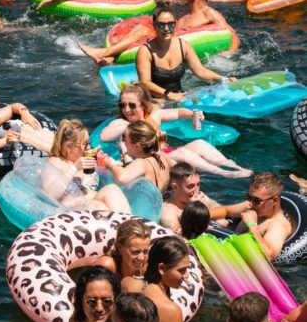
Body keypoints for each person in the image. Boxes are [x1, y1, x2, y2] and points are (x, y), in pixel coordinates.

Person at [81, 0, 239, 67]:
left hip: (175, 54)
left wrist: (226, 57)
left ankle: (105, 53)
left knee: (143, 31)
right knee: (145, 29)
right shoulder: (185, 14)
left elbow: (231, 35)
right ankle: (109, 58)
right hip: (166, 51)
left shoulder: (209, 13)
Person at [100, 86, 250, 178]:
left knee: (200, 144)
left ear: (143, 105)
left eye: (132, 105)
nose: (126, 109)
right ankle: (223, 173)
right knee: (182, 153)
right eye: (122, 105)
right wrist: (131, 125)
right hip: (149, 162)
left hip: (165, 154)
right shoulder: (121, 123)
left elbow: (178, 113)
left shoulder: (154, 116)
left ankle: (235, 166)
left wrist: (192, 114)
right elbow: (104, 136)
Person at [135, 4, 235, 102]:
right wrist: (168, 95)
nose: (166, 29)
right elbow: (145, 82)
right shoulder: (145, 51)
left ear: (175, 23)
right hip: (155, 100)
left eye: (170, 24)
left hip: (179, 96)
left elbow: (201, 71)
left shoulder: (183, 45)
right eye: (161, 25)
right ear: (154, 26)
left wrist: (223, 79)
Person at [44, 118, 130, 213]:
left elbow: (103, 174)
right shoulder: (56, 162)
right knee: (103, 203)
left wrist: (107, 163)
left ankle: (129, 224)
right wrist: (74, 168)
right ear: (68, 147)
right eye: (85, 144)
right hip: (69, 208)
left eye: (89, 143)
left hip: (91, 201)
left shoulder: (85, 162)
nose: (89, 147)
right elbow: (50, 194)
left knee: (112, 189)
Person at [209, 172, 292, 260]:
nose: (250, 204)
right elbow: (225, 210)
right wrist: (200, 216)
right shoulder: (252, 207)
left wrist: (252, 225)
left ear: (275, 200)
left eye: (256, 200)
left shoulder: (278, 225)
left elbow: (268, 255)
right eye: (249, 197)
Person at [102, 121, 174, 192]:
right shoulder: (164, 157)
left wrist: (111, 164)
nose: (123, 142)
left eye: (124, 139)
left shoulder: (142, 163)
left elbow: (121, 179)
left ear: (137, 146)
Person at [142, 237, 190, 322]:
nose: (186, 275)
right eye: (182, 270)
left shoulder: (131, 284)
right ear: (162, 268)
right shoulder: (171, 310)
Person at [160, 162, 222, 233]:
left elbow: (223, 211)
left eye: (198, 184)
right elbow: (180, 237)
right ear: (175, 187)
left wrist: (219, 219)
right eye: (191, 186)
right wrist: (193, 208)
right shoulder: (167, 211)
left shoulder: (202, 198)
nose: (196, 190)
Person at [95, 219, 151, 293]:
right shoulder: (108, 265)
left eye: (145, 251)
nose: (141, 258)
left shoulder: (147, 269)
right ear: (119, 247)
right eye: (135, 252)